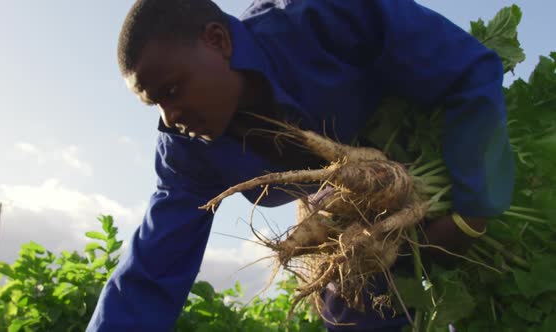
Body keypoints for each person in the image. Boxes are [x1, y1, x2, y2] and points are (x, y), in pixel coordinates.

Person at [87, 0, 515, 330]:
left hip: (430, 155)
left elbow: (467, 70)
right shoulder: (187, 152)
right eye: (155, 104)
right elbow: (150, 271)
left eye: (173, 89)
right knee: (349, 307)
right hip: (344, 212)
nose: (170, 117)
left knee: (501, 287)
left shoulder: (326, 16)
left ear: (218, 41)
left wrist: (472, 214)